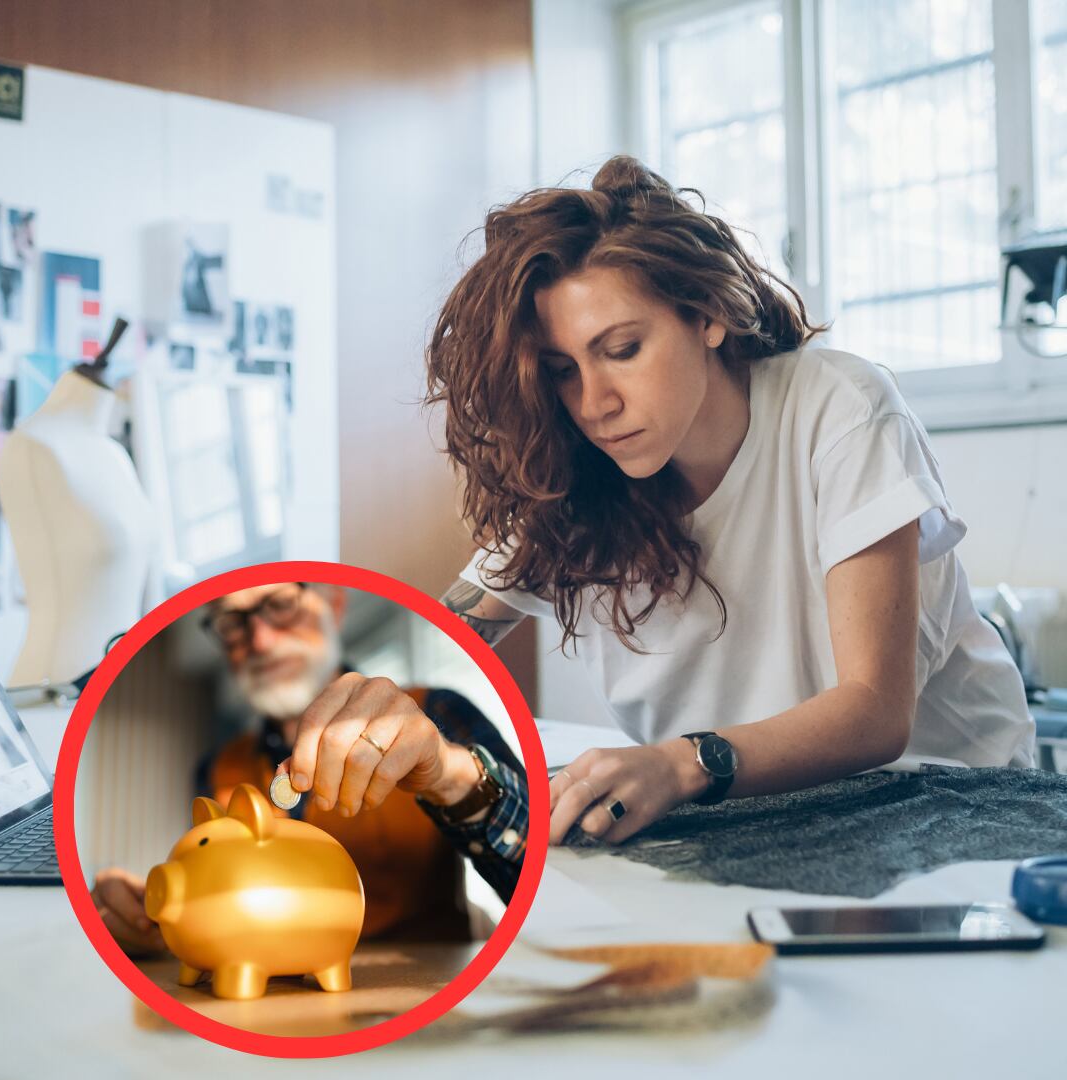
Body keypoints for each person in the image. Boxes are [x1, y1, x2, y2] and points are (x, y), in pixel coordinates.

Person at [425, 155, 1035, 848]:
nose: (595, 404)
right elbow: (441, 643)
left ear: (707, 314)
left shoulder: (839, 408)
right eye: (564, 372)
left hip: (951, 797)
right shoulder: (573, 471)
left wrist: (679, 764)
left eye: (622, 349)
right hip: (751, 819)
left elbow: (874, 711)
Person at [91, 582, 528, 956]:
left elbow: (541, 882)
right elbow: (226, 909)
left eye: (281, 604)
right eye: (232, 621)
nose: (260, 641)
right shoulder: (218, 769)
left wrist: (452, 777)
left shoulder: (436, 711)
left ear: (334, 608)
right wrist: (162, 924)